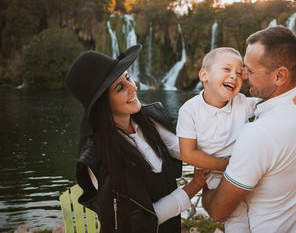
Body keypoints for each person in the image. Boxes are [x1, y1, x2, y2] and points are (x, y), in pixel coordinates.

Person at [65, 44, 210, 233]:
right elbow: (145, 218)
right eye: (120, 87)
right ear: (102, 104)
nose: (133, 87)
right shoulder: (100, 159)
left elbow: (183, 150)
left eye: (128, 78)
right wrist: (194, 185)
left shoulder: (149, 120)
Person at [202, 25, 296, 232]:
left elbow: (217, 211)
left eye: (249, 69)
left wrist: (203, 184)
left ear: (279, 76)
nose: (242, 74)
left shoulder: (259, 134)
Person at [177, 47, 296, 232]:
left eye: (239, 73)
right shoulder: (189, 110)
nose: (234, 76)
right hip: (216, 173)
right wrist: (226, 165)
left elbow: (275, 101)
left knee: (262, 203)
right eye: (226, 69)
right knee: (236, 218)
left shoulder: (242, 102)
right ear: (204, 75)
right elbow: (188, 154)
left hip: (247, 169)